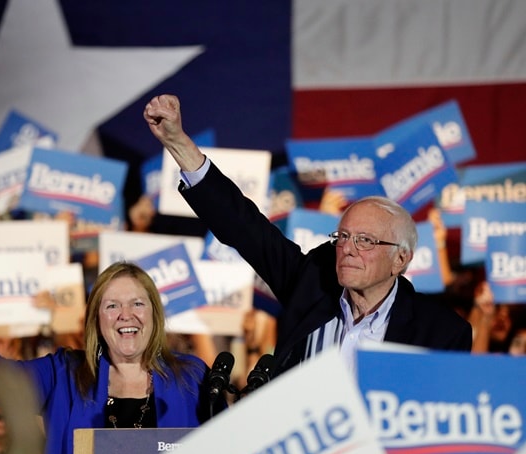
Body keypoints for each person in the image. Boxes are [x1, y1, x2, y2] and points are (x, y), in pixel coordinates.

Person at [143, 94, 472, 377]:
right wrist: (178, 143)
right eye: (343, 236)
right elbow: (244, 227)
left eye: (366, 241)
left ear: (400, 258)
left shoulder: (441, 332)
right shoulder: (312, 286)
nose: (348, 249)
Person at [0, 243, 224, 454]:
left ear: (154, 314)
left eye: (137, 303)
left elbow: (225, 452)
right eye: (112, 306)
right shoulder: (64, 374)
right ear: (96, 319)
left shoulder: (191, 378)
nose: (126, 315)